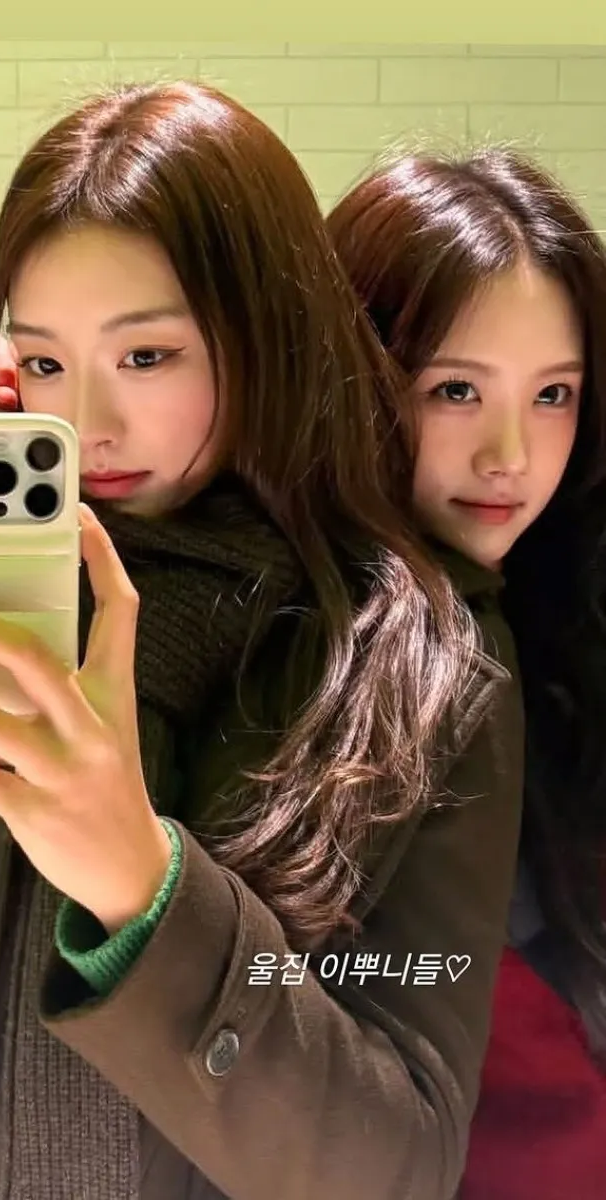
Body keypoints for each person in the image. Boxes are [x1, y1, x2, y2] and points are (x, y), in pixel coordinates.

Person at [0, 84, 523, 1200]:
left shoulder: (422, 667)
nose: (85, 424)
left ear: (265, 339)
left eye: (147, 357)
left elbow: (400, 1166)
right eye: (45, 363)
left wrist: (144, 891)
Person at [328, 146, 606, 1200]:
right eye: (454, 388)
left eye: (553, 394)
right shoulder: (284, 648)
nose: (511, 455)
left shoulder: (568, 602)